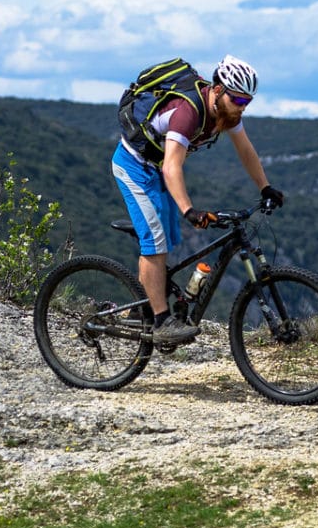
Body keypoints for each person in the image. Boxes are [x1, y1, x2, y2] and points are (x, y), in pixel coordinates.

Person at [112, 55, 284, 345]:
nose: (242, 107)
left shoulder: (226, 113)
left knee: (169, 238)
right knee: (155, 240)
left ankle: (141, 309)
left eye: (247, 101)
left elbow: (246, 150)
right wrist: (188, 210)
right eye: (238, 100)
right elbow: (172, 167)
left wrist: (265, 187)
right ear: (217, 90)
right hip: (134, 166)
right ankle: (160, 322)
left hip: (157, 168)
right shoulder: (188, 112)